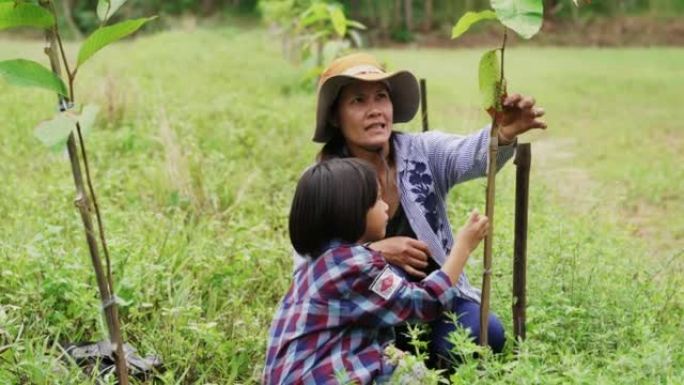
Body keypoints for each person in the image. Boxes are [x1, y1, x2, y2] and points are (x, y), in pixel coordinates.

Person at [296, 52, 547, 366]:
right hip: (368, 314)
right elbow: (309, 268)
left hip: (437, 298)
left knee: (485, 335)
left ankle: (428, 365)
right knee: (391, 281)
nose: (374, 110)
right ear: (335, 116)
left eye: (381, 97)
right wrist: (376, 251)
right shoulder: (326, 180)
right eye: (358, 101)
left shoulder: (419, 152)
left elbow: (470, 154)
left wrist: (503, 133)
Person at [264, 158, 490, 384]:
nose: (386, 206)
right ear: (352, 210)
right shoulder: (355, 266)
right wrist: (463, 247)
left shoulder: (316, 266)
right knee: (414, 375)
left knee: (402, 364)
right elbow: (425, 302)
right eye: (378, 199)